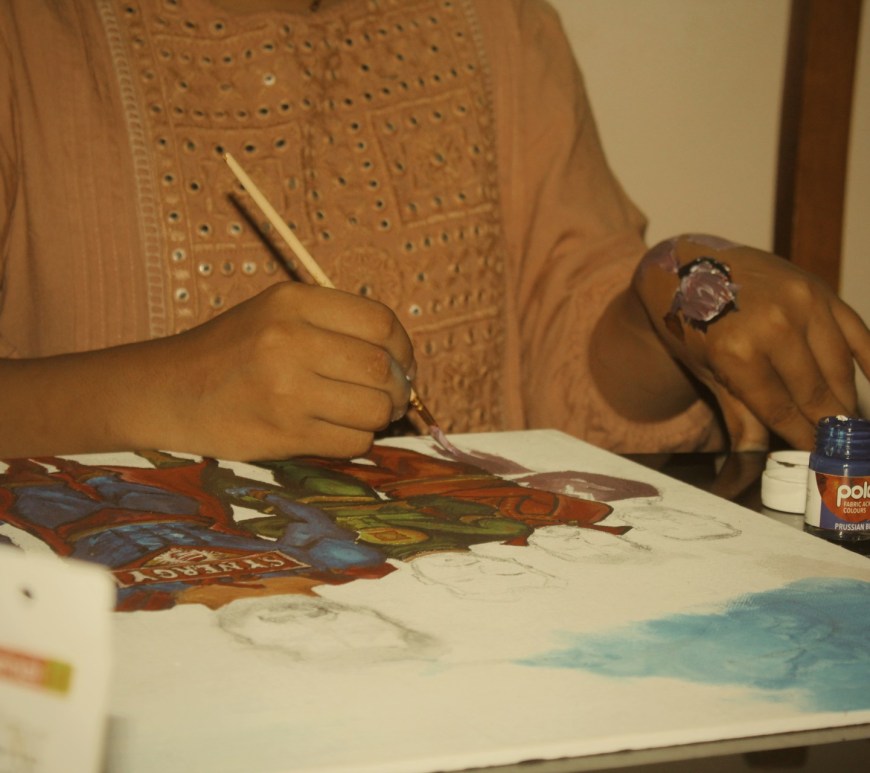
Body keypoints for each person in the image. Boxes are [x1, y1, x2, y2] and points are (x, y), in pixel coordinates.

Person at [1, 0, 867, 462]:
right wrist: (171, 391)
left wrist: (670, 292)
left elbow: (574, 375)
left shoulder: (500, 23)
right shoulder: (29, 36)